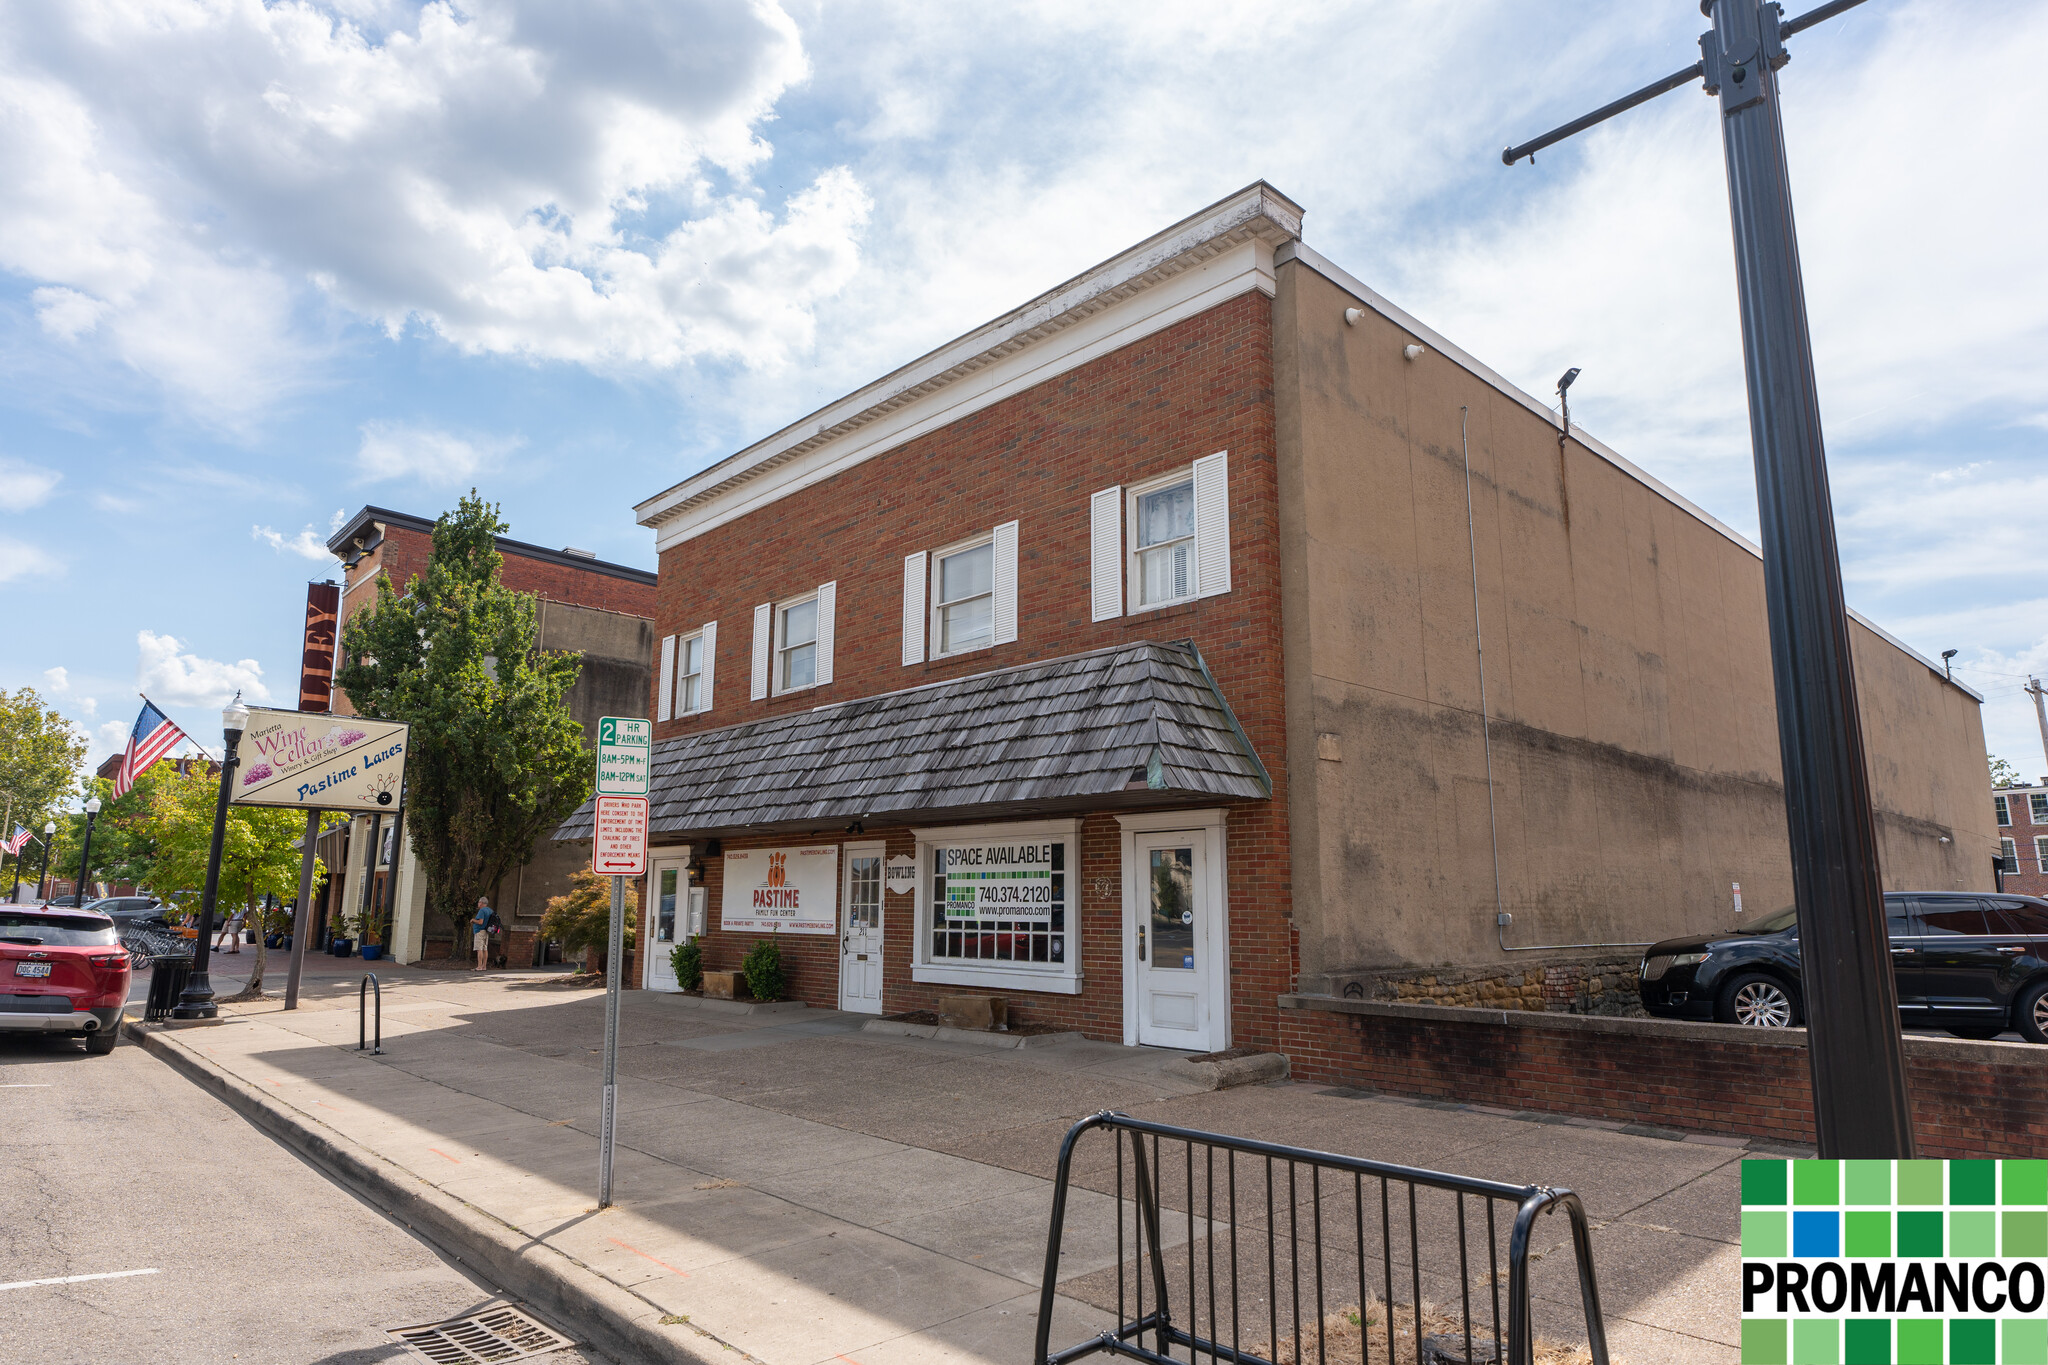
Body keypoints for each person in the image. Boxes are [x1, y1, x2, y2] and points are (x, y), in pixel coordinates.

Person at [472, 896, 497, 970]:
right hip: (486, 931)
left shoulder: (482, 911)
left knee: (479, 949)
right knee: (485, 949)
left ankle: (479, 966)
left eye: (479, 902)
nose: (478, 903)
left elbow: (480, 922)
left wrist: (473, 920)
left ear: (482, 903)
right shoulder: (490, 910)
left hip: (479, 931)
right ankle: (484, 966)